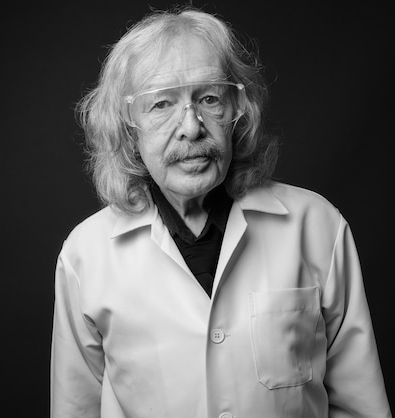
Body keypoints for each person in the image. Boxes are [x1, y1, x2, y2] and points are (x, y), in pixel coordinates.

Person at [50, 6, 391, 418]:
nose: (191, 127)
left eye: (209, 98)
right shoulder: (85, 256)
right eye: (161, 105)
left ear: (237, 112)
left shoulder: (318, 226)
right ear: (127, 126)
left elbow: (361, 406)